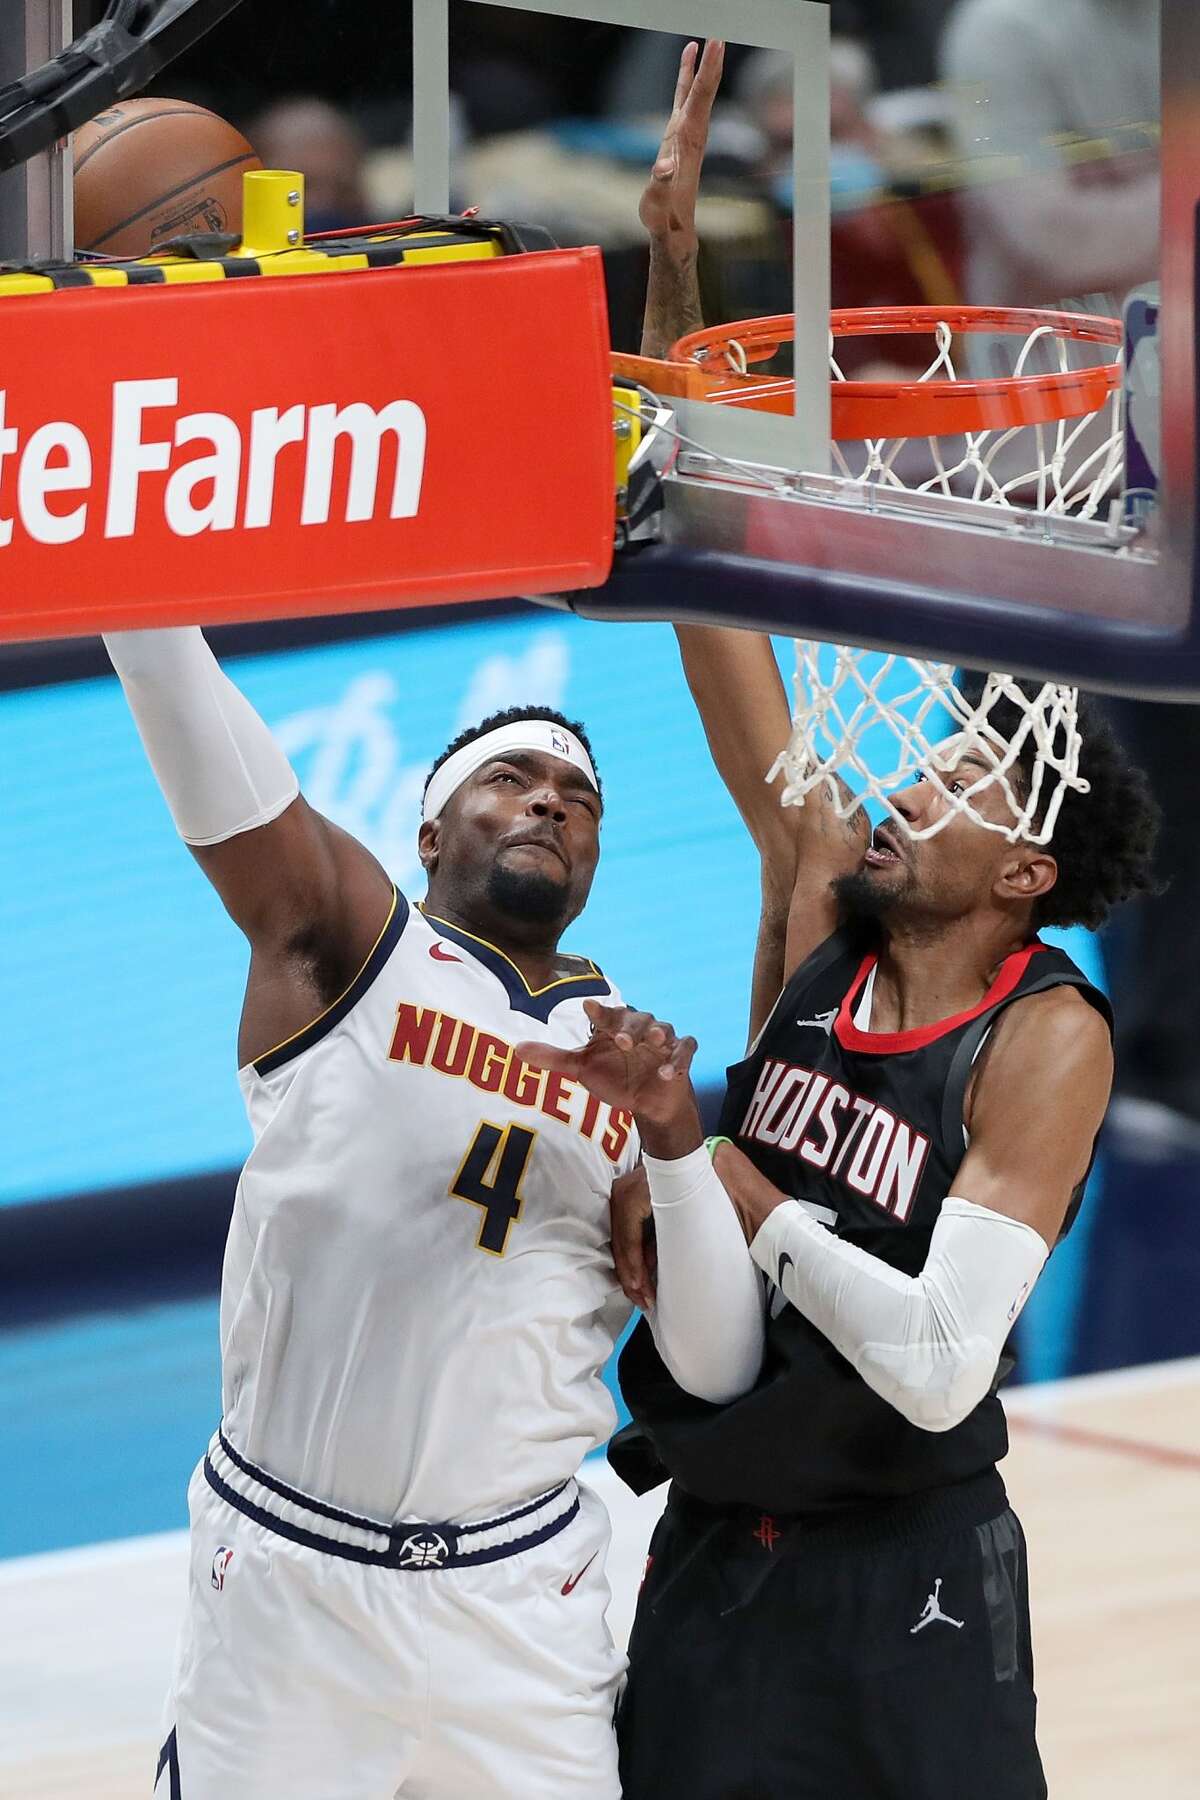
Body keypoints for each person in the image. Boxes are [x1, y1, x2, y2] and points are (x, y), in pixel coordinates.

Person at [515, 45, 1160, 1799]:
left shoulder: (1045, 1034)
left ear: (1027, 869)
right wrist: (667, 281)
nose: (902, 783)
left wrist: (747, 1191)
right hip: (724, 1541)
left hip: (914, 1574)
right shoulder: (823, 905)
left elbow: (947, 1370)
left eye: (955, 780)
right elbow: (718, 613)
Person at [102, 624, 735, 1799]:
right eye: (511, 778)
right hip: (293, 1583)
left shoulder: (636, 1065)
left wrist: (674, 1143)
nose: (548, 803)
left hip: (520, 1606)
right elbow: (202, 734)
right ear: (432, 834)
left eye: (576, 796)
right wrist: (133, 597)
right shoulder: (355, 950)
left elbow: (710, 1362)